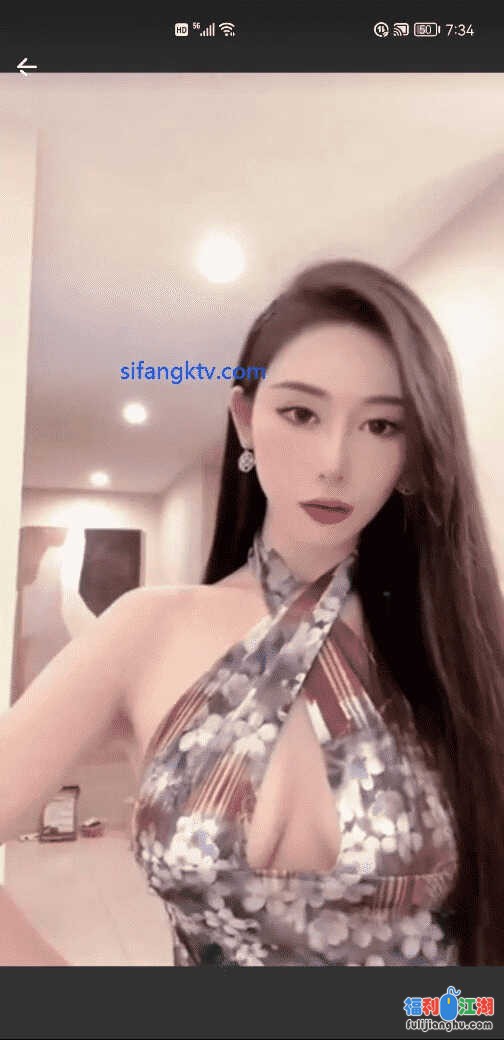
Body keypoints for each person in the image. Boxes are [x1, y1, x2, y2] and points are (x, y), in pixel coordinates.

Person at [0, 259, 503, 966]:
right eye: (301, 413)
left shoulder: (458, 648)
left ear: (416, 453)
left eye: (381, 424)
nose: (334, 462)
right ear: (246, 419)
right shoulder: (148, 630)